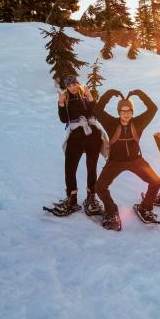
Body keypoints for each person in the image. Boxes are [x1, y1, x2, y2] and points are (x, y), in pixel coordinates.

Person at [93, 88, 160, 231]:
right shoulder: (111, 123)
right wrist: (110, 93)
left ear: (132, 112)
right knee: (99, 187)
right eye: (123, 111)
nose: (126, 114)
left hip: (135, 161)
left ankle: (145, 207)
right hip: (115, 162)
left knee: (156, 182)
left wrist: (139, 94)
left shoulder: (139, 123)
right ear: (119, 112)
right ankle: (111, 211)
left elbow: (153, 109)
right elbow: (97, 110)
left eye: (129, 111)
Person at [46, 75, 104, 217]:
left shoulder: (85, 95)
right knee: (70, 167)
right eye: (69, 85)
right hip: (76, 135)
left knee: (92, 166)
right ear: (66, 87)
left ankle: (91, 197)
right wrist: (60, 104)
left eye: (74, 84)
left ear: (78, 83)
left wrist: (90, 97)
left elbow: (97, 113)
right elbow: (64, 119)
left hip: (92, 135)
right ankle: (72, 198)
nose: (72, 87)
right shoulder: (65, 99)